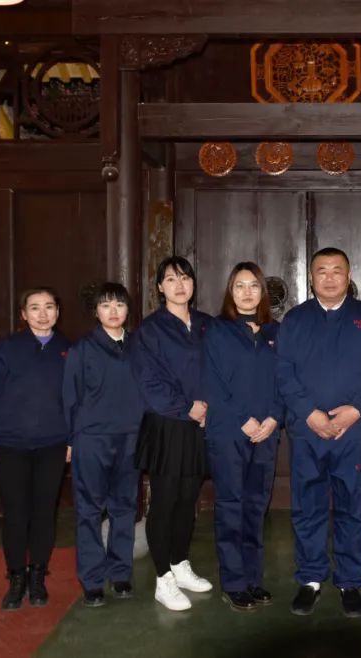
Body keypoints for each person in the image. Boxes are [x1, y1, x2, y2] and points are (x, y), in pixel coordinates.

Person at [276, 247, 361, 618]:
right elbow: (283, 372)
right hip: (306, 430)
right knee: (307, 507)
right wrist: (309, 414)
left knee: (351, 508)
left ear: (349, 275)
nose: (329, 278)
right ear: (311, 278)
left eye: (336, 270)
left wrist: (355, 411)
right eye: (321, 271)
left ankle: (349, 580)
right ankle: (310, 578)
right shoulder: (295, 320)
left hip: (352, 431)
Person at [0, 287, 71, 610]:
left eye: (49, 306)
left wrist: (72, 439)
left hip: (53, 444)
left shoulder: (69, 350)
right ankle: (16, 577)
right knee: (15, 513)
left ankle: (38, 576)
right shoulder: (6, 350)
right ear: (23, 314)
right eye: (35, 308)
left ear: (57, 311)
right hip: (11, 444)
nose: (42, 314)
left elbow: (77, 400)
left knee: (44, 512)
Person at [136, 256, 215, 611]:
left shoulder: (207, 324)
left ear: (193, 283)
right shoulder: (150, 329)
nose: (179, 285)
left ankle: (180, 563)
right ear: (159, 287)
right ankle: (162, 578)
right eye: (171, 279)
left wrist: (210, 408)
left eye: (185, 278)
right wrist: (187, 407)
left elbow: (221, 370)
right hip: (168, 424)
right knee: (165, 501)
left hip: (201, 424)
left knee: (187, 499)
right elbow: (148, 381)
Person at [203, 262, 282, 612]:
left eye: (253, 286)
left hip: (266, 433)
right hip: (228, 432)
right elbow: (212, 382)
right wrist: (243, 420)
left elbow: (286, 379)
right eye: (239, 286)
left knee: (256, 506)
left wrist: (275, 417)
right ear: (230, 291)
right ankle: (233, 582)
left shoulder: (275, 332)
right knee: (231, 506)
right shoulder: (216, 330)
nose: (247, 292)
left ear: (262, 292)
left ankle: (253, 578)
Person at [62, 282, 145, 608]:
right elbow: (70, 397)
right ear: (96, 311)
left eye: (119, 305)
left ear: (128, 310)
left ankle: (120, 573)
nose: (113, 311)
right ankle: (92, 579)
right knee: (89, 511)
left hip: (131, 438)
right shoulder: (82, 349)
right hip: (92, 439)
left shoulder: (139, 346)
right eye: (106, 305)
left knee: (125, 508)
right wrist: (71, 440)